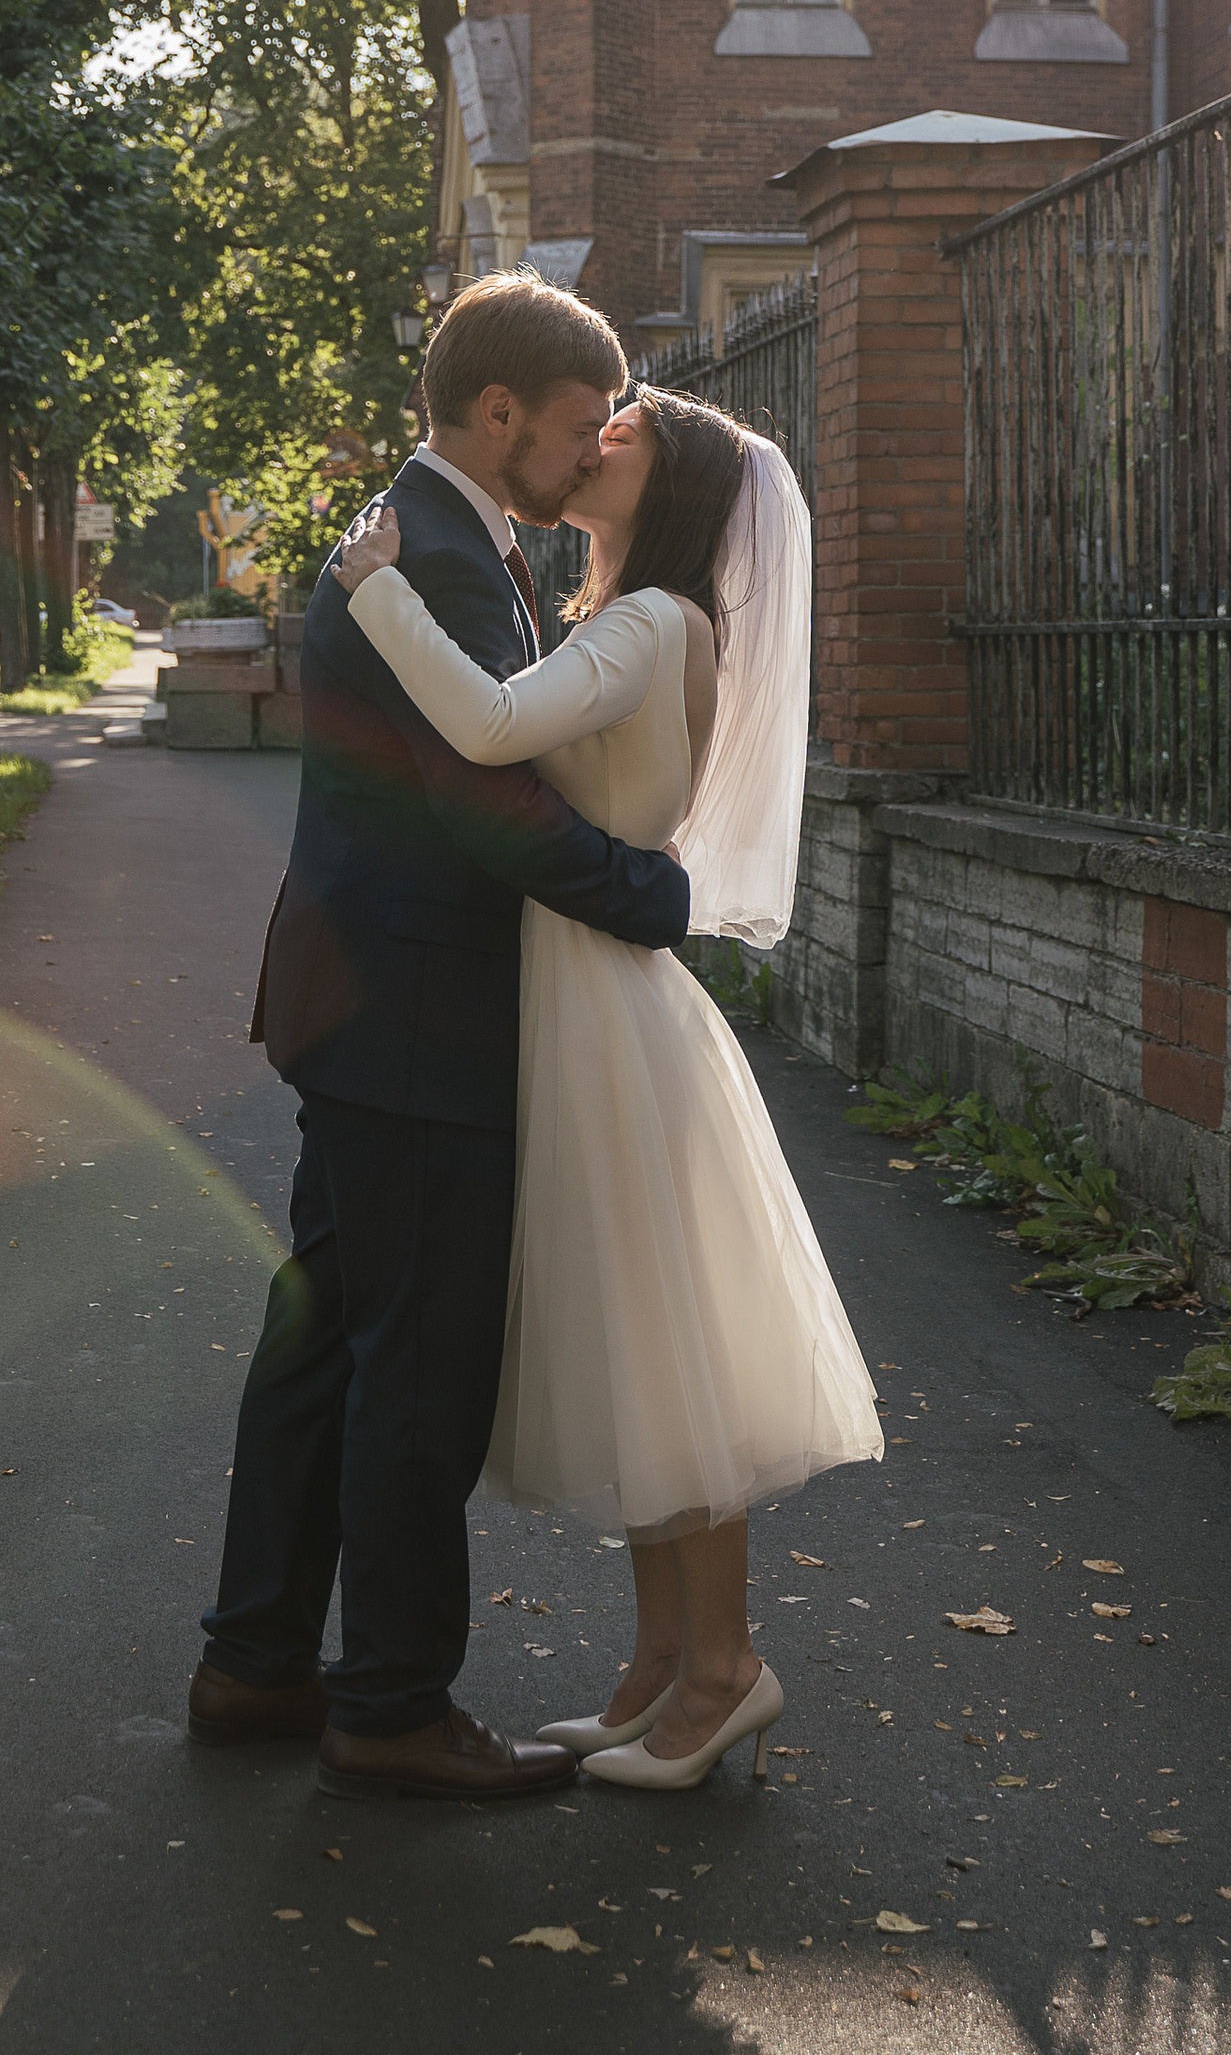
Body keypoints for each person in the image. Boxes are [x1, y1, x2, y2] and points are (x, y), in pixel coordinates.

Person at [329, 378, 880, 1790]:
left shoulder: (647, 624)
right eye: (597, 426)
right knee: (646, 1363)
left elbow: (493, 728)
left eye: (619, 438)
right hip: (577, 1004)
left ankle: (720, 1674)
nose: (596, 443)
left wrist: (380, 593)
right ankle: (651, 1672)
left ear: (673, 489)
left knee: (678, 1367)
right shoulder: (620, 619)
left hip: (612, 1020)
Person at [191, 270, 687, 1802]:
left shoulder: (432, 536)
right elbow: (491, 809)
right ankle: (390, 1703)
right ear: (497, 414)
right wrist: (653, 895)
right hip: (421, 1020)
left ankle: (258, 1663)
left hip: (366, 1006)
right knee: (417, 1366)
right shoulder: (446, 559)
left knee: (329, 1337)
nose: (594, 450)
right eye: (577, 423)